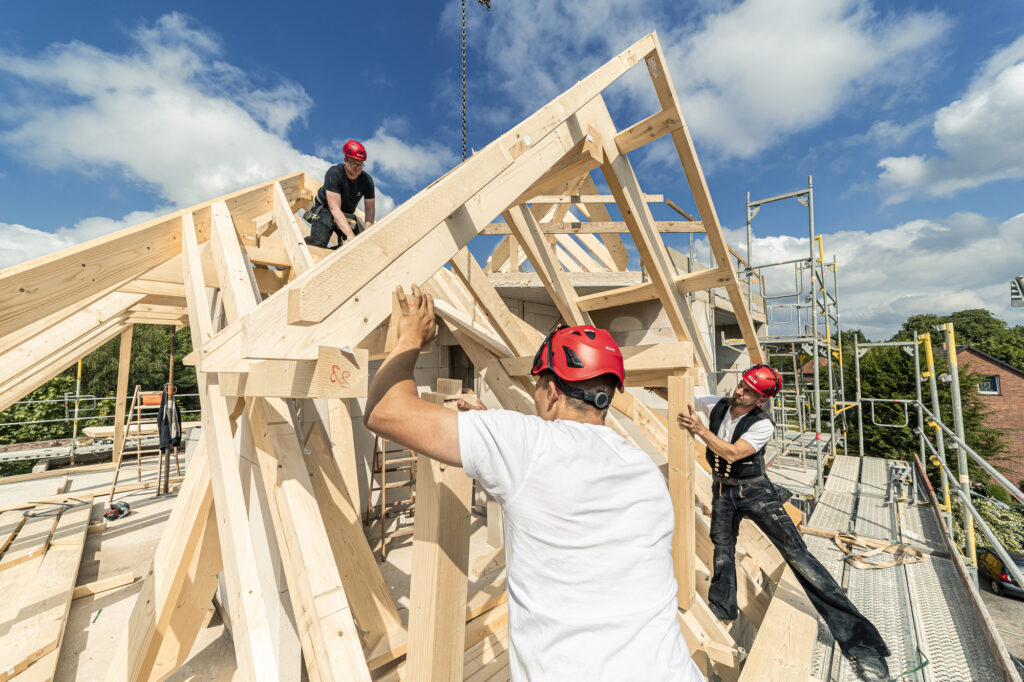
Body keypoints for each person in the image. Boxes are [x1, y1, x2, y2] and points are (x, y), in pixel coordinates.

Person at [364, 285, 703, 682]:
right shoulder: (643, 470)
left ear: (553, 392)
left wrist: (410, 337)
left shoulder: (526, 446)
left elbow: (386, 411)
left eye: (538, 385)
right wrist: (485, 422)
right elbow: (553, 467)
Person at [675, 365, 891, 682]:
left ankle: (864, 647)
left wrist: (700, 431)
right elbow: (680, 396)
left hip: (755, 492)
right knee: (722, 550)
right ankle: (723, 607)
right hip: (723, 490)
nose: (740, 392)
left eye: (749, 391)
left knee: (799, 558)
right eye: (741, 385)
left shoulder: (762, 424)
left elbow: (734, 453)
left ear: (761, 399)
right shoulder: (718, 404)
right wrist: (655, 387)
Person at [305, 139, 375, 248]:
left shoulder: (367, 181)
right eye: (354, 164)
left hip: (347, 214)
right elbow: (334, 208)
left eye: (360, 165)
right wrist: (350, 235)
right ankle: (298, 248)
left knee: (359, 247)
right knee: (318, 242)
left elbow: (370, 211)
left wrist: (367, 235)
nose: (357, 168)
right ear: (345, 160)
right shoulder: (335, 173)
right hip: (326, 209)